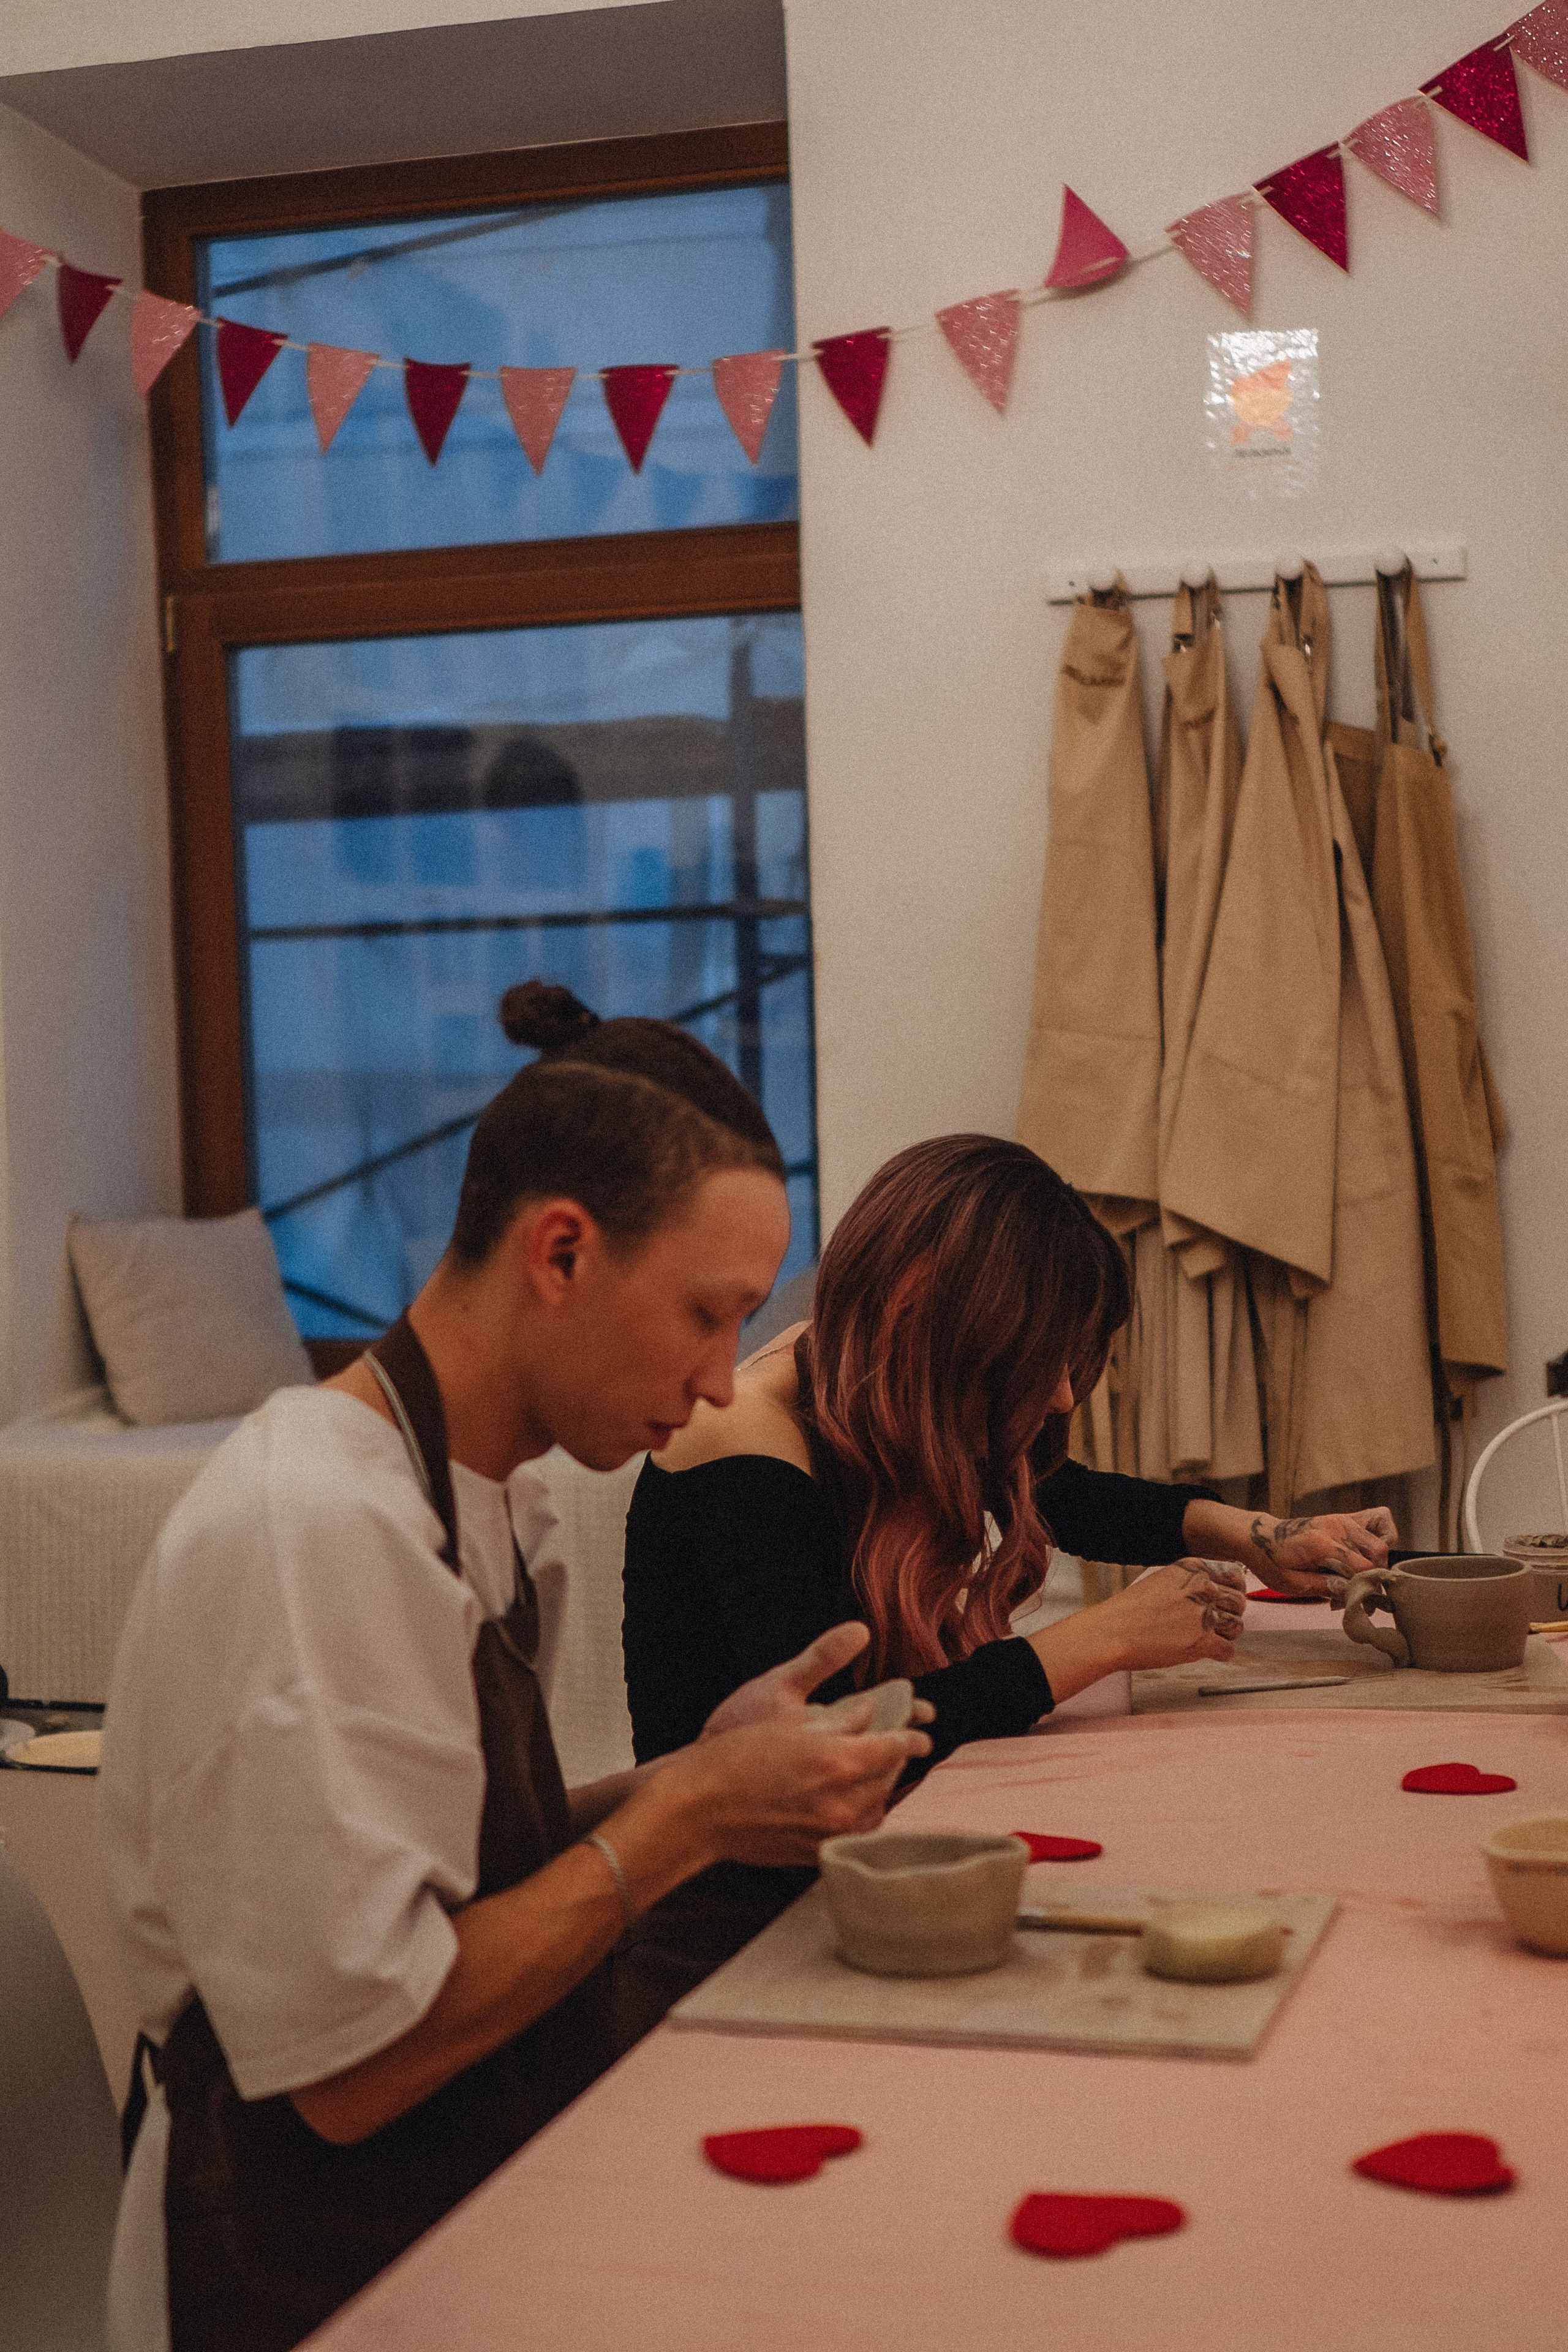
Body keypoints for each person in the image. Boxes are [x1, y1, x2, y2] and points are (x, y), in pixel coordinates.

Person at [96, 983, 929, 2352]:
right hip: (295, 2252)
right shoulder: (317, 1528)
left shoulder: (495, 1500)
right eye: (706, 1316)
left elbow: (442, 1867)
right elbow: (356, 2068)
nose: (727, 1382)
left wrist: (694, 1769)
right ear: (559, 1252)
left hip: (453, 2169)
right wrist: (692, 1818)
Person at [617, 1131, 1398, 2036]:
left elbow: (1049, 1484)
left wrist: (1256, 1534)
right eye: (1045, 1364)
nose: (1065, 1397)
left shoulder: (861, 1366)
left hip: (863, 1883)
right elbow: (835, 1742)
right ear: (940, 1330)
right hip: (728, 1933)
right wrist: (1100, 1639)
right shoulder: (743, 1443)